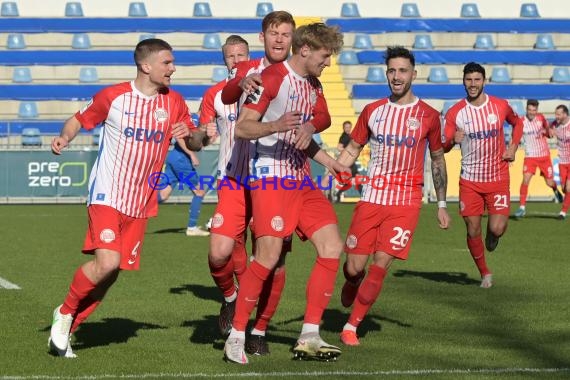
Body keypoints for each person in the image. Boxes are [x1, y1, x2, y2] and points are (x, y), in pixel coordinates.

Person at [48, 38, 210, 358]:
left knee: (110, 275)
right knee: (107, 262)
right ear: (145, 66)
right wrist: (64, 137)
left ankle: (68, 329)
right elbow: (79, 119)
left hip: (140, 202)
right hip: (107, 193)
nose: (173, 68)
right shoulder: (114, 96)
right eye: (167, 62)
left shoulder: (174, 102)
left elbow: (195, 140)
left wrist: (200, 135)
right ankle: (65, 312)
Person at [223, 22, 346, 364]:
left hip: (301, 179)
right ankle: (236, 335)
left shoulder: (312, 84)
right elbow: (243, 127)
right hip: (271, 178)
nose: (328, 63)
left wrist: (330, 162)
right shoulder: (272, 78)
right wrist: (277, 125)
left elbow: (309, 131)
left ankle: (309, 334)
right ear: (305, 50)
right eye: (325, 56)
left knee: (332, 245)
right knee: (268, 256)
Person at [211, 13, 313, 356]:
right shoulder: (247, 69)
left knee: (274, 260)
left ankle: (258, 330)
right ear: (263, 36)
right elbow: (225, 95)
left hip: (277, 181)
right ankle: (231, 298)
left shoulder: (302, 76)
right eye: (274, 33)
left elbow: (323, 114)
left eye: (286, 34)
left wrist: (313, 127)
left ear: (294, 38)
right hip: (238, 178)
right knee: (219, 252)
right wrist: (241, 84)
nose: (280, 40)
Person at [335, 46, 450, 347]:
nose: (396, 77)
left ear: (414, 74)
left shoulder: (428, 115)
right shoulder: (373, 111)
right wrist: (334, 170)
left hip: (406, 204)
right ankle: (351, 280)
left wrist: (440, 203)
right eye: (392, 71)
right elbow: (353, 148)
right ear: (386, 74)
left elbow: (437, 159)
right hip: (371, 198)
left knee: (381, 263)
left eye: (402, 71)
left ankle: (351, 326)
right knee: (353, 267)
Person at [442, 62, 523, 289]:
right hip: (470, 181)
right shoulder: (455, 112)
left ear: (484, 81)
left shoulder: (499, 106)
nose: (473, 84)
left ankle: (493, 235)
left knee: (496, 229)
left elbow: (518, 123)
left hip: (497, 178)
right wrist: (451, 141)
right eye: (469, 80)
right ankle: (485, 273)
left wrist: (513, 147)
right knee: (472, 228)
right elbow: (444, 145)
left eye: (477, 79)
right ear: (463, 82)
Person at [158, 121, 212, 236]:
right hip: (181, 160)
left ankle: (136, 207)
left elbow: (201, 143)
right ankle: (192, 228)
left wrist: (210, 137)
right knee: (199, 192)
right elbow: (178, 136)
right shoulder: (193, 119)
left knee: (163, 195)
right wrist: (191, 154)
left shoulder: (204, 123)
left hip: (174, 157)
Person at [514, 99, 563, 218]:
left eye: (534, 110)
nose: (532, 112)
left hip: (544, 157)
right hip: (530, 156)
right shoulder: (521, 121)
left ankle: (555, 190)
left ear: (537, 110)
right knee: (525, 179)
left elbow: (548, 133)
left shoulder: (541, 118)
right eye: (530, 110)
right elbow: (515, 137)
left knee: (549, 182)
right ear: (526, 109)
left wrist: (549, 133)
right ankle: (522, 207)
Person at [551, 104, 570, 220]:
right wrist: (548, 132)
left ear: (565, 114)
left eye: (558, 114)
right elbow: (548, 132)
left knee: (568, 188)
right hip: (562, 161)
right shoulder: (554, 125)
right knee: (563, 188)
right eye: (556, 114)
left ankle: (563, 212)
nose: (556, 116)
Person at [335, 120, 361, 201]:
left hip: (351, 162)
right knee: (356, 180)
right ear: (343, 128)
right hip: (348, 163)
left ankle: (338, 194)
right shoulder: (344, 137)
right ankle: (364, 197)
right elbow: (339, 147)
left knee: (352, 181)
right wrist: (348, 151)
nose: (348, 129)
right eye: (346, 127)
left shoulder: (350, 136)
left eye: (349, 127)